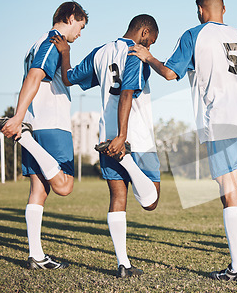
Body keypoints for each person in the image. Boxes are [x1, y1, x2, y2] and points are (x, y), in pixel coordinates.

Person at [128, 0, 237, 281]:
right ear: (224, 9)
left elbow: (171, 73)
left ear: (200, 10)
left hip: (220, 122)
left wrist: (149, 57)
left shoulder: (194, 35)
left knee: (230, 194)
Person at [51, 14, 160, 278]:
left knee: (118, 198)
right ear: (144, 33)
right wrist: (123, 135)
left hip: (106, 137)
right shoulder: (135, 53)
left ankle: (123, 264)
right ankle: (128, 162)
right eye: (152, 42)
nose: (150, 48)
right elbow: (126, 92)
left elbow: (68, 78)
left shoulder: (101, 52)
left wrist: (66, 52)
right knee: (151, 202)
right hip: (134, 138)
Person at [0, 1, 88, 270]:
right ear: (70, 17)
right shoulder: (52, 42)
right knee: (65, 186)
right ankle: (25, 138)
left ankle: (36, 255)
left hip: (35, 122)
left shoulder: (35, 43)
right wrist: (18, 119)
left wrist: (23, 117)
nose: (80, 33)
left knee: (38, 190)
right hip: (49, 124)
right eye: (80, 26)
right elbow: (34, 76)